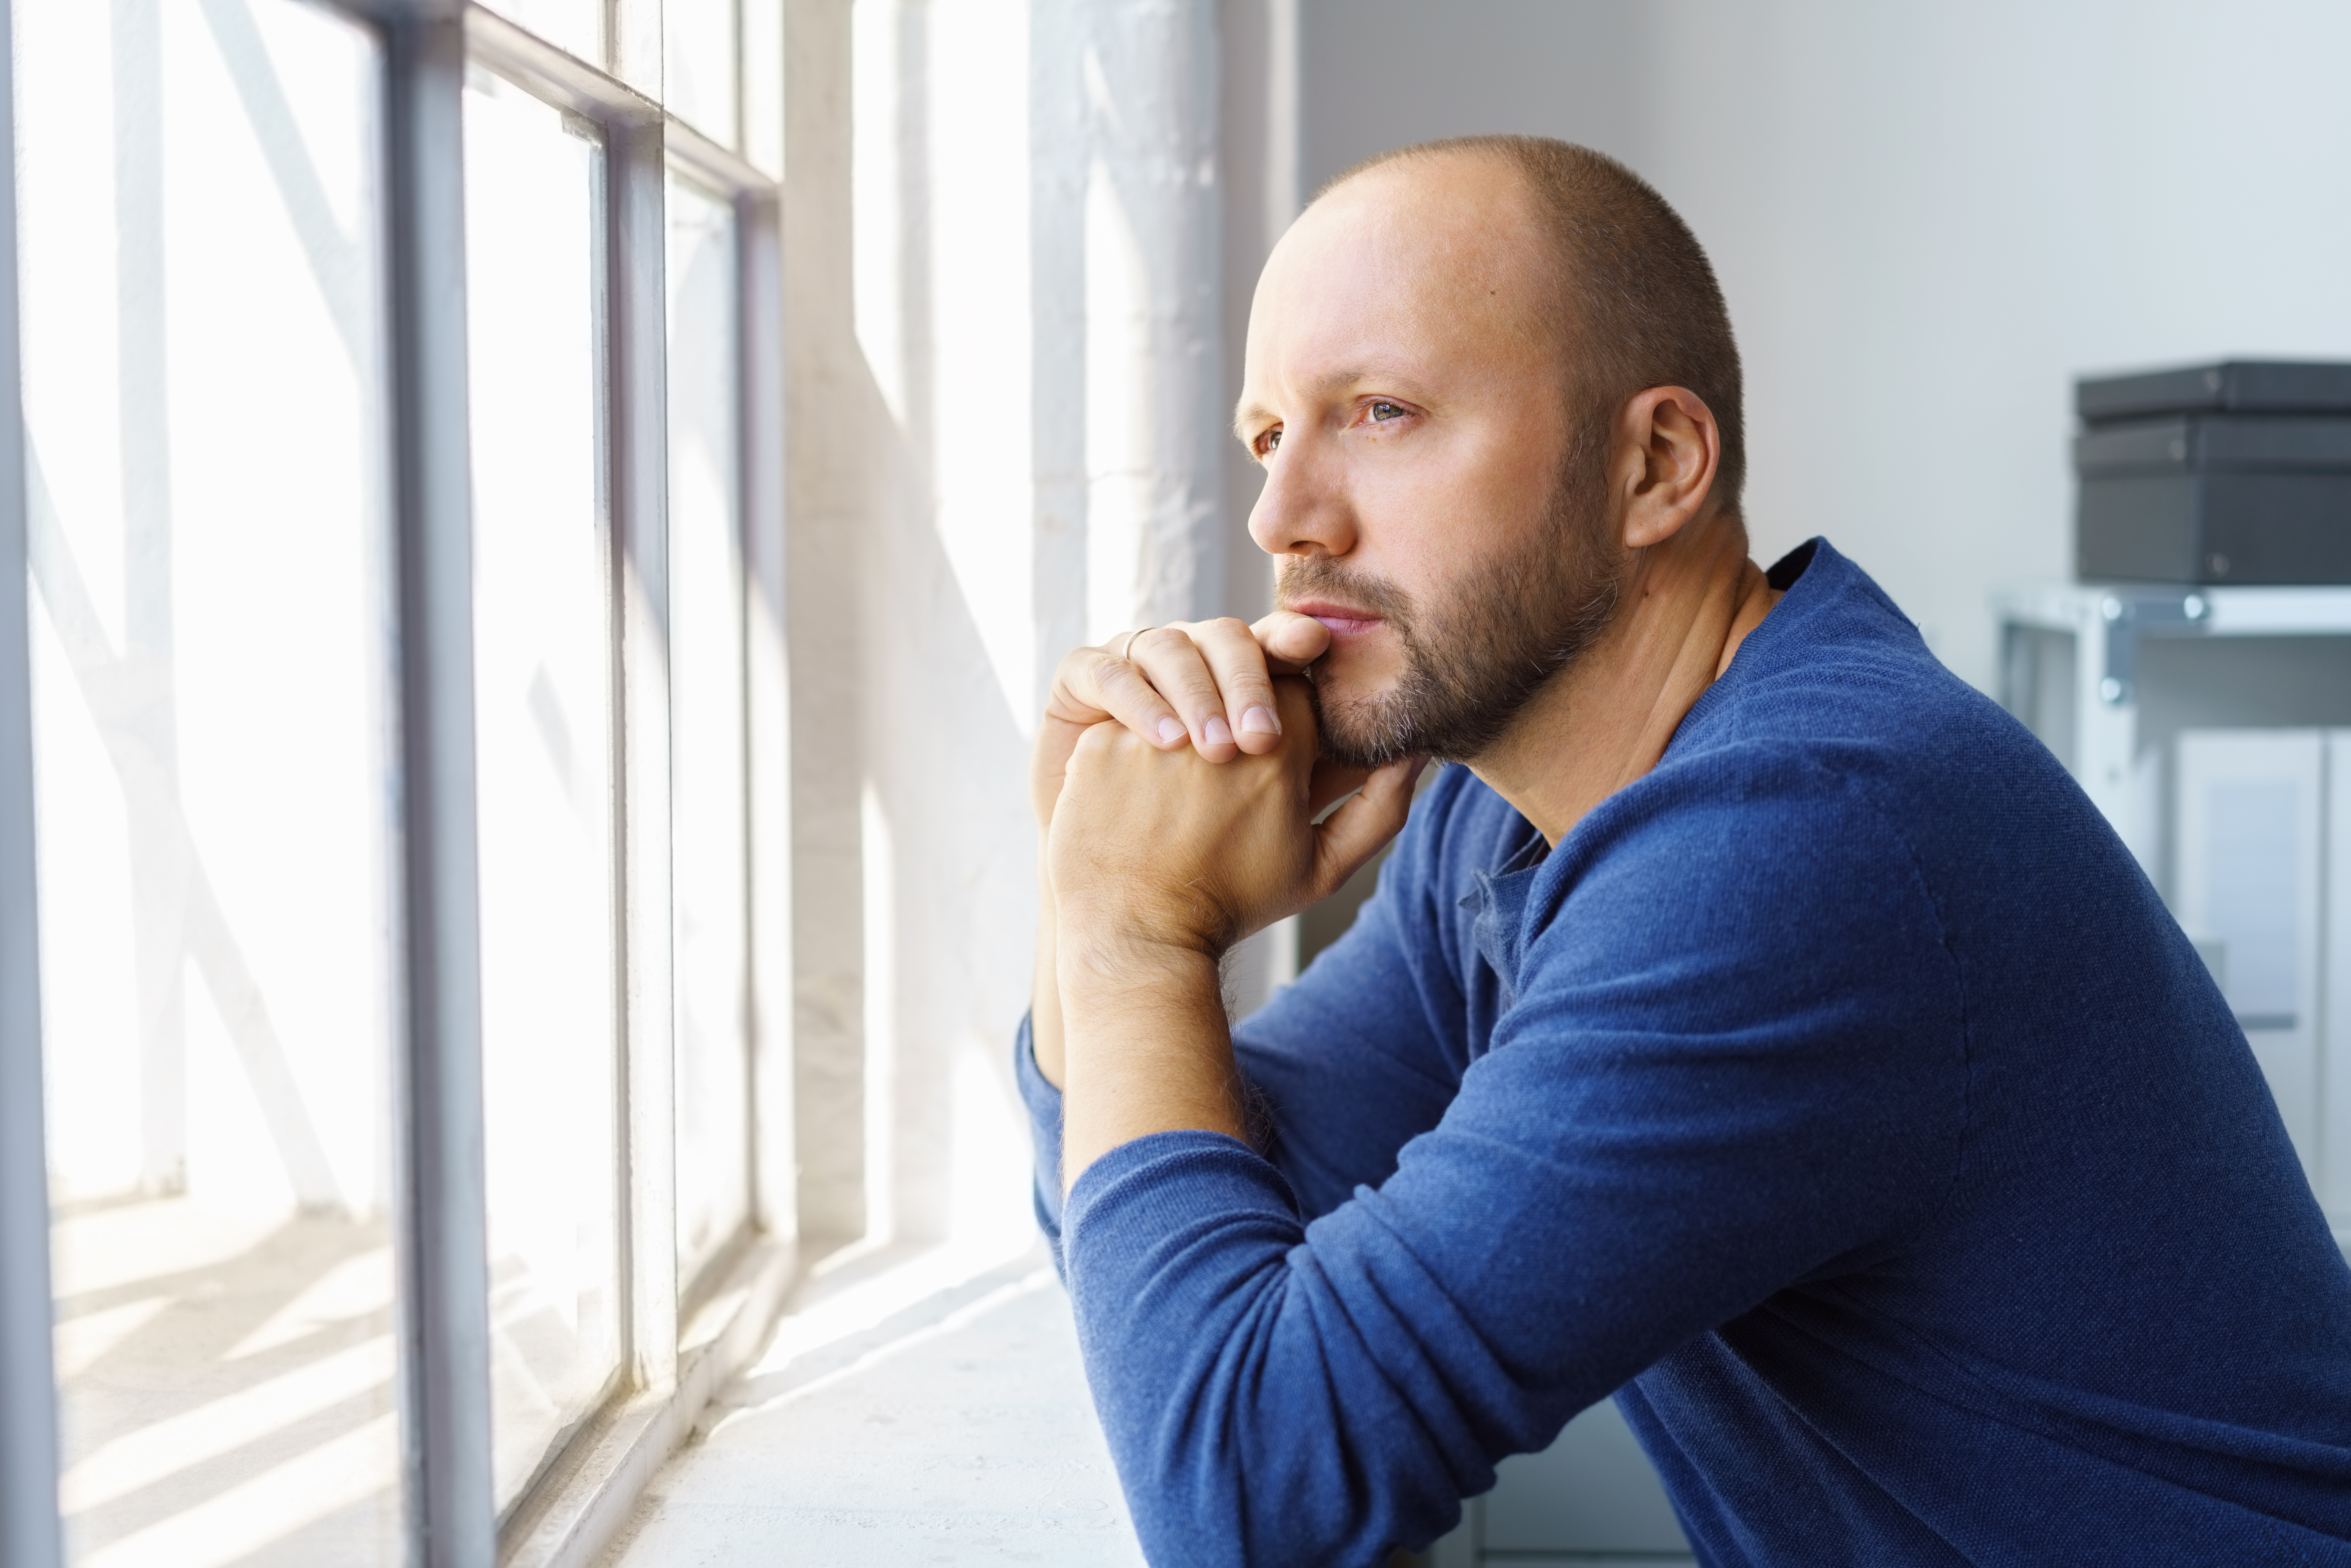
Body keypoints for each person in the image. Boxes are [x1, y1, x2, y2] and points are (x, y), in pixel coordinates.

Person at [1017, 135, 2351, 1567]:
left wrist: (1130, 934)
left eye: (1382, 412)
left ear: (1654, 463)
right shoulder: (1503, 799)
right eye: (1269, 437)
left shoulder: (1801, 834)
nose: (1283, 522)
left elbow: (1243, 1500)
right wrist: (1094, 893)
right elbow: (1191, 1233)